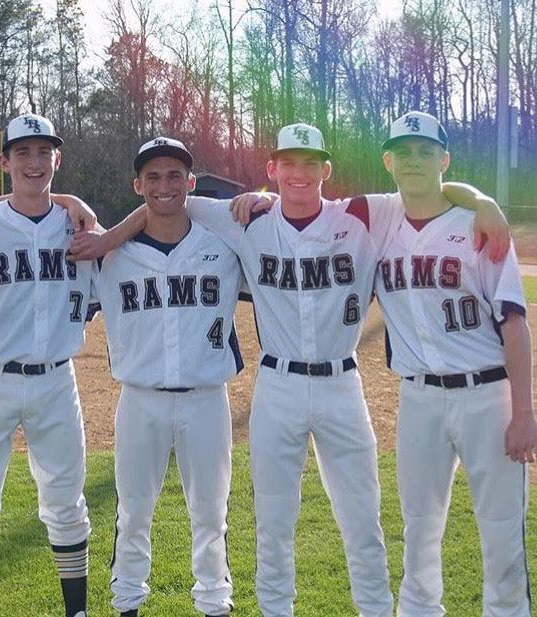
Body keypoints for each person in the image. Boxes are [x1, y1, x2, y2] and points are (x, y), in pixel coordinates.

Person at [71, 123, 510, 617]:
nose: (298, 173)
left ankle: (374, 609)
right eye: (288, 162)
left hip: (342, 383)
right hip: (276, 383)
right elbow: (171, 203)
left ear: (326, 169)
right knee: (273, 524)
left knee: (363, 520)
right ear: (272, 169)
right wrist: (109, 239)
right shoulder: (245, 219)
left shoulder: (363, 214)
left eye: (309, 163)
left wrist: (481, 201)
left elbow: (424, 184)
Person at [375, 111, 536, 617]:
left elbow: (513, 322)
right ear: (389, 162)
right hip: (418, 397)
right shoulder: (377, 223)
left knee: (502, 529)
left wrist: (524, 411)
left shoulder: (477, 226)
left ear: (445, 159)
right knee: (418, 528)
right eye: (405, 151)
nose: (415, 160)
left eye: (426, 151)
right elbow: (308, 202)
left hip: (486, 395)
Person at [0, 113, 94, 617]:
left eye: (43, 151)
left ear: (58, 159)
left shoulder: (80, 228)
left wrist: (79, 206)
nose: (34, 162)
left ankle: (77, 612)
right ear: (4, 161)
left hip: (56, 381)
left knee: (68, 505)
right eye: (22, 152)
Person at [93, 137, 243, 617]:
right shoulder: (110, 255)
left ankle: (215, 603)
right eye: (153, 176)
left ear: (190, 184)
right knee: (133, 512)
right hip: (140, 399)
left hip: (206, 397)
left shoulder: (223, 245)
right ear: (137, 185)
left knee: (211, 514)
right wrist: (77, 201)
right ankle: (127, 603)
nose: (164, 185)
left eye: (174, 175)